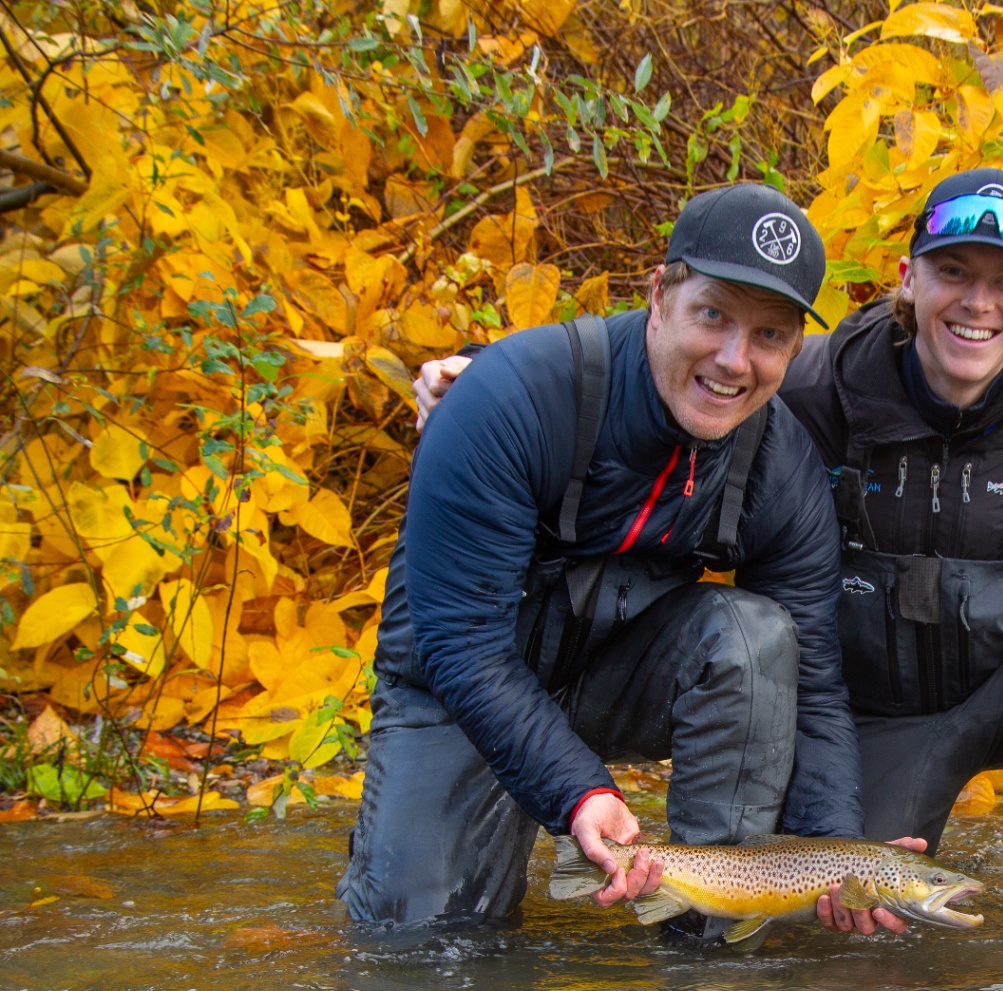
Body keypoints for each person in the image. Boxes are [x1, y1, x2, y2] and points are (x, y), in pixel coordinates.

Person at [417, 169, 1003, 928]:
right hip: (876, 721)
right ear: (908, 278)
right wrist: (487, 374)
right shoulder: (805, 380)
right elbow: (690, 353)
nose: (978, 304)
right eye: (952, 273)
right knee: (854, 942)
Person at [341, 183, 908, 936]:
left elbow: (811, 680)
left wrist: (840, 850)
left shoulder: (783, 467)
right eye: (714, 316)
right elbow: (459, 642)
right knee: (424, 949)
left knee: (759, 635)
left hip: (608, 677)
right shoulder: (511, 398)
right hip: (457, 684)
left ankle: (701, 956)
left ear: (793, 349)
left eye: (770, 335)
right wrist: (577, 790)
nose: (735, 360)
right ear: (658, 295)